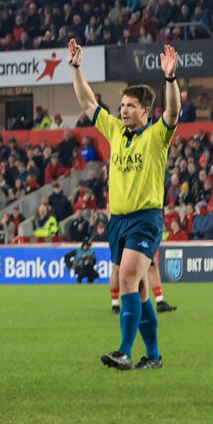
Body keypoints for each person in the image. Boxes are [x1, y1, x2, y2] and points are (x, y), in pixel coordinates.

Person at [70, 39, 180, 370]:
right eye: (122, 105)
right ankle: (154, 356)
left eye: (131, 105)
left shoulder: (157, 135)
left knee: (127, 280)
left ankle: (124, 351)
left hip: (145, 218)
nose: (123, 110)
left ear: (146, 111)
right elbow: (88, 101)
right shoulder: (116, 131)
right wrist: (76, 69)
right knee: (142, 291)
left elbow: (173, 111)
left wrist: (170, 80)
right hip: (118, 221)